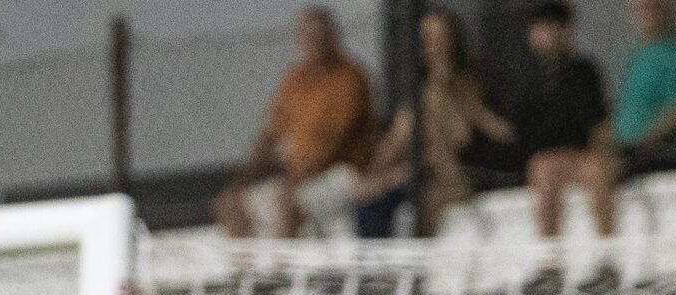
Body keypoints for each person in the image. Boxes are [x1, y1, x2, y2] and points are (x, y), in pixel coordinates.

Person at [350, 8, 513, 239]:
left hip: (461, 173)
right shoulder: (422, 91)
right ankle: (375, 264)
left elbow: (470, 136)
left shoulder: (468, 86)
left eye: (437, 38)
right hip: (422, 168)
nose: (431, 46)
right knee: (370, 195)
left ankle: (419, 264)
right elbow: (399, 138)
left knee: (424, 197)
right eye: (425, 39)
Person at [215, 8, 375, 240]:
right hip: (296, 174)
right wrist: (242, 179)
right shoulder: (295, 79)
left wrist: (295, 179)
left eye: (319, 36)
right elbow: (270, 133)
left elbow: (333, 144)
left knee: (286, 203)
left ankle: (286, 274)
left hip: (338, 173)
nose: (313, 42)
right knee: (230, 204)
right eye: (307, 36)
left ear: (333, 38)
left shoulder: (350, 79)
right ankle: (247, 273)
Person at [518, 2, 617, 240]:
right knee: (543, 171)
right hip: (547, 157)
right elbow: (523, 130)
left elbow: (597, 120)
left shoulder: (583, 70)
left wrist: (606, 153)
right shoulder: (530, 80)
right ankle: (551, 261)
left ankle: (608, 253)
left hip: (581, 155)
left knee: (598, 170)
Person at [614, 0, 676, 173]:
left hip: (671, 157)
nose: (646, 14)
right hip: (631, 156)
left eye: (653, 6)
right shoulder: (643, 52)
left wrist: (638, 145)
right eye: (641, 8)